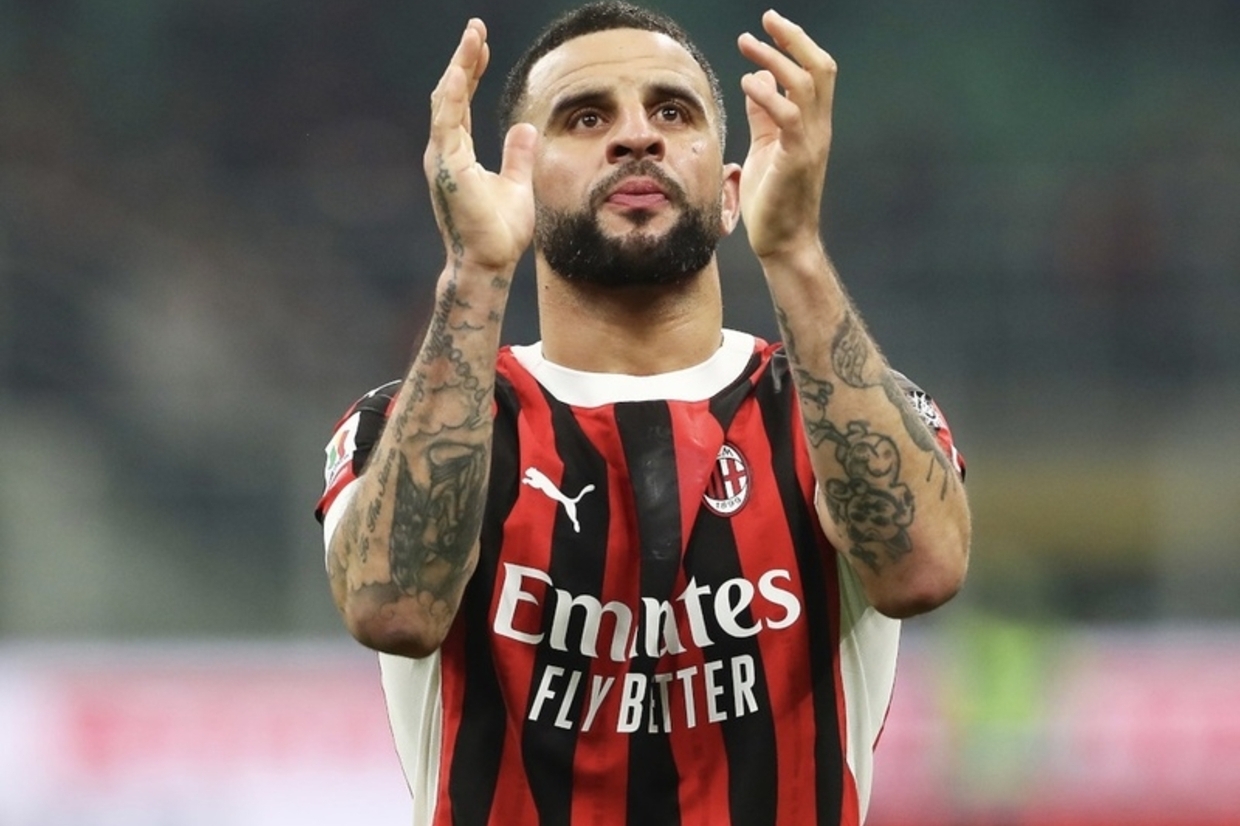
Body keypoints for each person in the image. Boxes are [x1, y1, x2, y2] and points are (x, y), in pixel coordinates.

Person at [315, 3, 970, 824]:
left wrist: (795, 251)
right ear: (518, 186)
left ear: (731, 195)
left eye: (673, 113)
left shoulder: (830, 409)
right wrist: (475, 271)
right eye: (587, 118)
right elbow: (394, 610)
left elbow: (922, 572)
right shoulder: (414, 425)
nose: (636, 137)